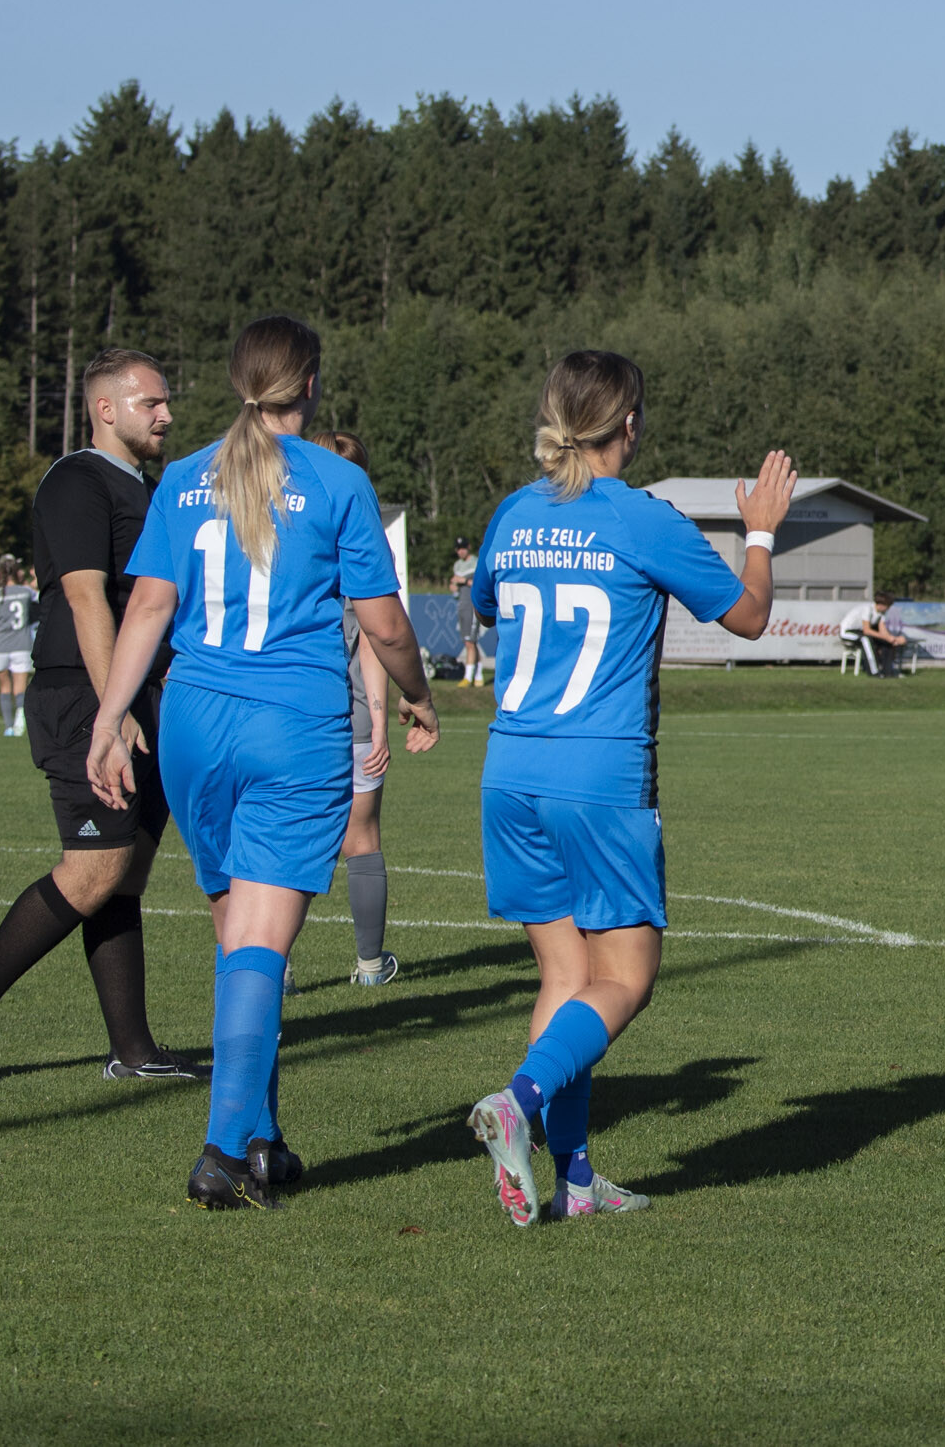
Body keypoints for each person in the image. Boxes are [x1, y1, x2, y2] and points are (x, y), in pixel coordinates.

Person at [87, 315, 438, 1211]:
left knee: (241, 939)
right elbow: (387, 623)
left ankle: (262, 1138)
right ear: (309, 384)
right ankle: (220, 1152)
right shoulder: (336, 479)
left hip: (193, 726)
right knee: (260, 942)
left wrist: (110, 716)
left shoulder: (183, 476)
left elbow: (148, 610)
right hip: (291, 727)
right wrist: (419, 693)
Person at [464, 351, 794, 1224]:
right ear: (631, 424)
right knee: (627, 977)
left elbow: (489, 606)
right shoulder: (643, 518)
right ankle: (517, 1101)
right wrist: (760, 532)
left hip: (509, 770)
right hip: (598, 775)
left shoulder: (514, 511)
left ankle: (573, 1179)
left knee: (566, 974)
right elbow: (750, 616)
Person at [0, 352, 195, 1088]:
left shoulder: (149, 489)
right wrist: (114, 711)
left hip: (138, 698)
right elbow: (85, 597)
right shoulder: (78, 480)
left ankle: (132, 1050)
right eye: (151, 403)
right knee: (94, 866)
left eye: (165, 402)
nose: (167, 415)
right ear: (105, 409)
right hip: (86, 696)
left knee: (125, 872)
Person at [311, 430, 401, 986]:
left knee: (281, 840)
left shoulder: (277, 524)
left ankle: (276, 969)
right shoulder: (367, 536)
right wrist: (382, 718)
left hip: (287, 707)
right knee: (362, 836)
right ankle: (370, 965)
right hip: (352, 710)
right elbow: (376, 635)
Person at [0, 555, 41, 736]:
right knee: (20, 687)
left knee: (5, 686)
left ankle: (8, 726)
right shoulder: (26, 591)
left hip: (0, 646)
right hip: (22, 644)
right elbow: (40, 596)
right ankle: (20, 720)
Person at [840, 590, 910, 676]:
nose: (888, 609)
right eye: (888, 606)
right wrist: (889, 638)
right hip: (847, 632)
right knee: (866, 639)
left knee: (886, 642)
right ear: (881, 605)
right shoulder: (868, 609)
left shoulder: (882, 613)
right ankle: (874, 672)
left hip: (861, 633)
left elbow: (883, 631)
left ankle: (888, 672)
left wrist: (893, 640)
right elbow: (867, 630)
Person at [451, 537, 486, 687]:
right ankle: (478, 674)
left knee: (470, 641)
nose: (461, 551)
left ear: (469, 547)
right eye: (459, 548)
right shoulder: (457, 565)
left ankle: (468, 677)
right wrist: (454, 587)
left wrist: (464, 581)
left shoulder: (476, 562)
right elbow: (456, 588)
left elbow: (479, 583)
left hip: (473, 606)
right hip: (462, 605)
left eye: (463, 548)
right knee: (468, 642)